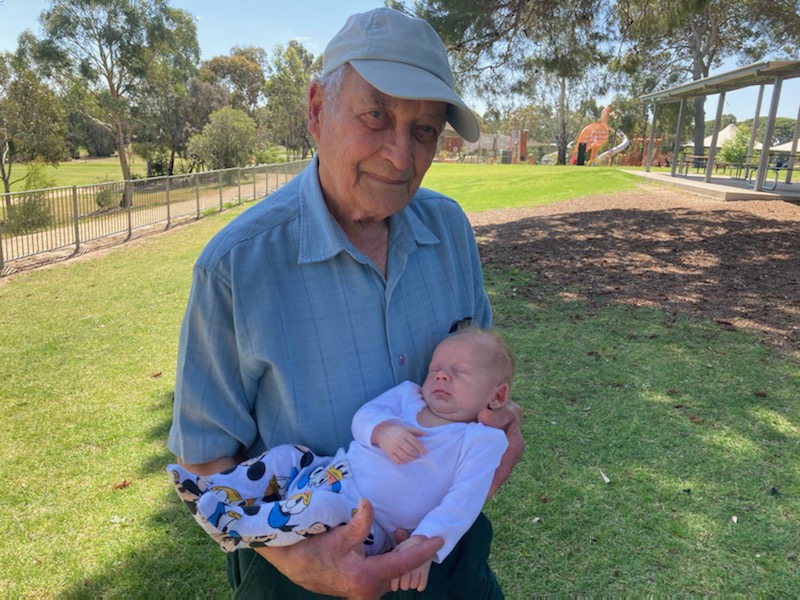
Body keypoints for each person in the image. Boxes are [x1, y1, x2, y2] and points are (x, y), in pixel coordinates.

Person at [167, 7, 524, 598]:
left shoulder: (451, 231)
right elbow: (206, 466)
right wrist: (304, 563)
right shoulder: (236, 266)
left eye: (425, 130)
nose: (402, 157)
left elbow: (479, 381)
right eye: (376, 114)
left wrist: (500, 426)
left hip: (441, 561)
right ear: (316, 110)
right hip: (296, 570)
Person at [168, 328, 514, 593]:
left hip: (361, 521)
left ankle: (235, 523)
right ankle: (217, 487)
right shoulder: (408, 398)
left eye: (459, 371)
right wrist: (382, 431)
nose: (441, 375)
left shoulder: (481, 440)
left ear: (497, 395)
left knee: (319, 508)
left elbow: (463, 502)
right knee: (288, 455)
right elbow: (365, 415)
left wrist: (426, 542)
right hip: (330, 470)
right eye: (436, 368)